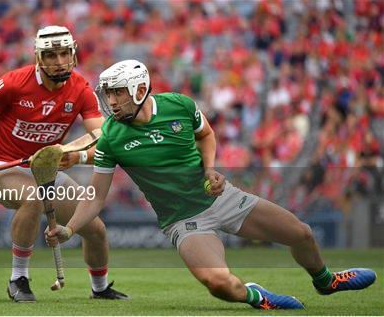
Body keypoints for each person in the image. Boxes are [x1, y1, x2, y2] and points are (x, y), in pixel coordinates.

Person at [46, 59, 377, 310]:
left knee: (302, 233)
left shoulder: (180, 105)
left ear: (138, 89)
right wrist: (70, 229)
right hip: (184, 221)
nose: (112, 102)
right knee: (217, 284)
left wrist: (210, 170)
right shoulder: (111, 139)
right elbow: (96, 197)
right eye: (108, 94)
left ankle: (326, 281)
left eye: (117, 92)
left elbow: (206, 134)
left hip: (222, 199)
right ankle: (257, 296)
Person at [0, 25, 128, 303]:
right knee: (33, 198)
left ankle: (100, 289)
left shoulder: (81, 89)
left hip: (46, 170)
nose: (59, 60)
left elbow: (100, 136)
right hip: (4, 167)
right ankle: (18, 280)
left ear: (73, 53)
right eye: (51, 55)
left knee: (95, 229)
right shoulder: (14, 83)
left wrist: (75, 154)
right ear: (39, 58)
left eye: (64, 53)